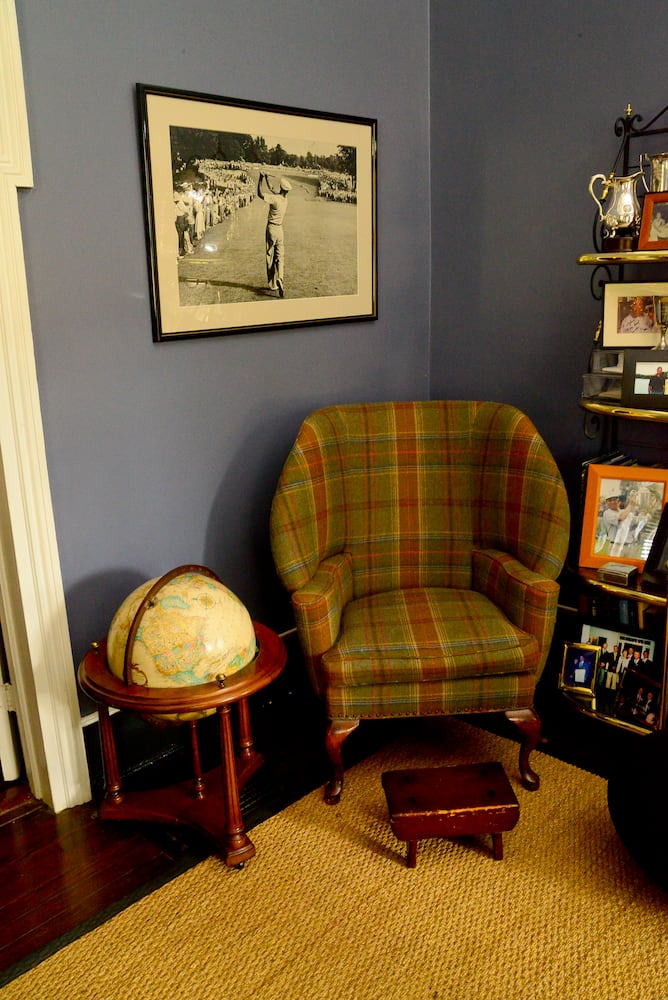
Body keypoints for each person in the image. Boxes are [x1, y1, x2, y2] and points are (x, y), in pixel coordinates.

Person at [257, 171, 291, 298]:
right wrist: (267, 179)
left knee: (270, 255)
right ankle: (280, 278)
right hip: (280, 230)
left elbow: (260, 194)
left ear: (281, 188)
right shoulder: (285, 200)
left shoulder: (275, 199)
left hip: (271, 228)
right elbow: (273, 189)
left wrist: (260, 178)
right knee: (280, 257)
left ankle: (272, 283)